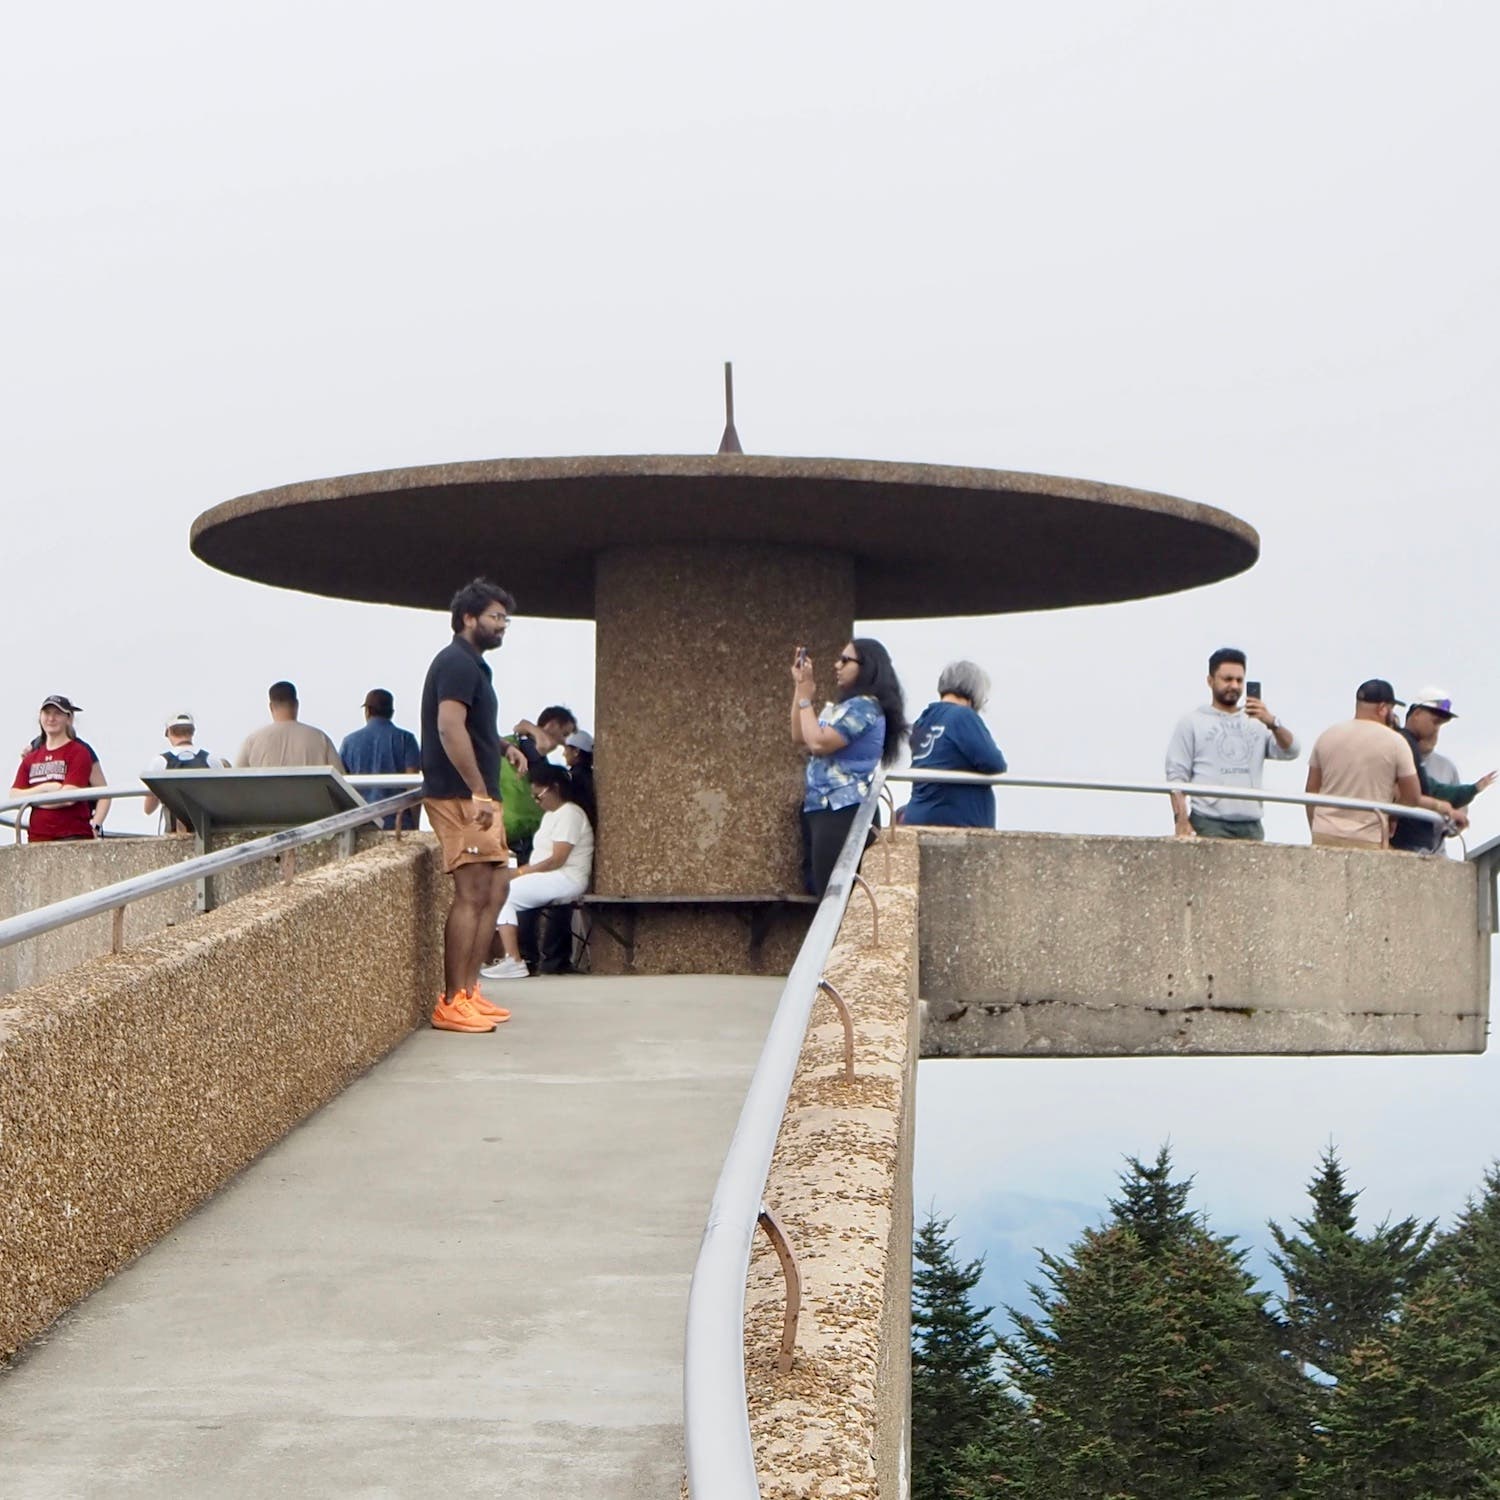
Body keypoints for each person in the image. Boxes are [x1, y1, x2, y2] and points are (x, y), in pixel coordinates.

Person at [421, 578, 528, 1032]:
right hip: (463, 796)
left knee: (495, 890)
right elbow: (449, 727)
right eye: (495, 617)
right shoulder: (456, 662)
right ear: (469, 618)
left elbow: (473, 725)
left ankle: (469, 991)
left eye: (506, 618)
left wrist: (503, 747)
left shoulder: (473, 666)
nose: (503, 625)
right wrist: (478, 791)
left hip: (479, 795)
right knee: (472, 894)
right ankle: (451, 1001)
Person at [791, 637, 908, 897]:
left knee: (832, 895)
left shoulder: (866, 707)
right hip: (820, 807)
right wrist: (801, 689)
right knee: (822, 889)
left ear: (868, 667)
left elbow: (819, 743)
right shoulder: (844, 708)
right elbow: (801, 736)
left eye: (846, 660)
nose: (837, 665)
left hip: (842, 809)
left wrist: (807, 701)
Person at [1165, 647, 1299, 840]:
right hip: (1209, 821)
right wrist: (1181, 820)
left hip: (1251, 824)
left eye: (1239, 680)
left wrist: (1272, 722)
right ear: (1210, 681)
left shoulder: (1256, 722)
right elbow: (1176, 775)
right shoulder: (1193, 722)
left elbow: (1291, 751)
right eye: (1227, 679)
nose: (1234, 685)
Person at [482, 765, 594, 981]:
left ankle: (514, 959)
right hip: (549, 876)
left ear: (555, 788)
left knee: (503, 891)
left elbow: (557, 859)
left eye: (538, 796)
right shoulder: (551, 815)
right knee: (500, 891)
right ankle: (513, 956)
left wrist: (521, 872)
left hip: (567, 877)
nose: (536, 802)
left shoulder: (570, 813)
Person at [1304, 680, 1445, 849]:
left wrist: (1316, 825)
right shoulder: (1396, 743)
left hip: (1325, 833)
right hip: (1369, 836)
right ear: (1382, 708)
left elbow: (1312, 790)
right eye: (1391, 709)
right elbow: (1412, 796)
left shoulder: (1327, 736)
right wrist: (1391, 816)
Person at [1389, 687, 1496, 855]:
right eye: (1434, 721)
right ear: (1416, 714)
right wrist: (1443, 806)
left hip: (1434, 853)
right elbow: (1417, 794)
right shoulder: (1399, 747)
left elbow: (1458, 815)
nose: (1436, 729)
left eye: (1440, 725)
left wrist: (1454, 819)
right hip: (1399, 848)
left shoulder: (1447, 767)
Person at [902, 661, 1007, 827]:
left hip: (920, 814)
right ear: (975, 691)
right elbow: (994, 763)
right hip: (955, 818)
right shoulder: (963, 716)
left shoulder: (923, 720)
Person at [11, 694, 109, 842]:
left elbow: (70, 797)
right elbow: (14, 796)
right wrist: (46, 789)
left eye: (57, 713)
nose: (51, 718)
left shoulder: (80, 751)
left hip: (72, 835)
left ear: (69, 718)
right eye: (47, 713)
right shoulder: (32, 756)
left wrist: (96, 824)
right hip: (37, 838)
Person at [339, 689, 421, 830]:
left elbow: (342, 786)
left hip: (361, 822)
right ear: (392, 712)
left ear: (368, 711)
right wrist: (415, 824)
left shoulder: (349, 742)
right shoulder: (406, 739)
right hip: (398, 822)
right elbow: (413, 785)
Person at [142, 713, 228, 831]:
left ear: (169, 732)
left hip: (174, 831)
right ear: (192, 732)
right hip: (207, 829)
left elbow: (148, 809)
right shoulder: (211, 759)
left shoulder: (160, 762)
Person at [235, 681, 345, 770]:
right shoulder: (320, 739)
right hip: (310, 797)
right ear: (296, 704)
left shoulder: (253, 742)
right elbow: (342, 782)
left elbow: (236, 782)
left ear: (271, 706)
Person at [563, 729, 596, 823]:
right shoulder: (589, 774)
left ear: (576, 751)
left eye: (566, 749)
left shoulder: (573, 777)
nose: (563, 754)